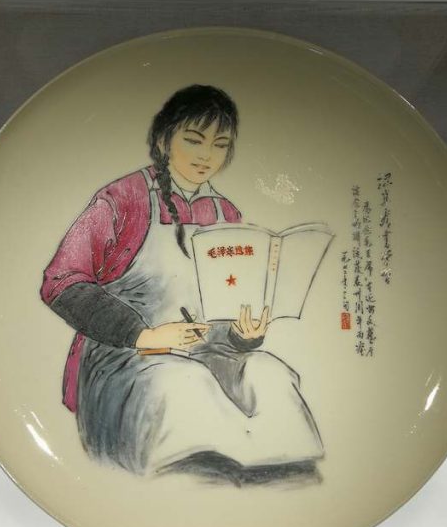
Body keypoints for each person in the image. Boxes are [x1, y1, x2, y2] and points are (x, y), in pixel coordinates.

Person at [41, 84, 323, 483]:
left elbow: (226, 312)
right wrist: (143, 335)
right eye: (193, 140)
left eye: (220, 145)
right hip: (127, 357)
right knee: (184, 384)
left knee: (270, 375)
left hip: (209, 353)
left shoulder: (226, 214)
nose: (207, 155)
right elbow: (60, 282)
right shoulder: (121, 200)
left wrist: (244, 336)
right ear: (163, 139)